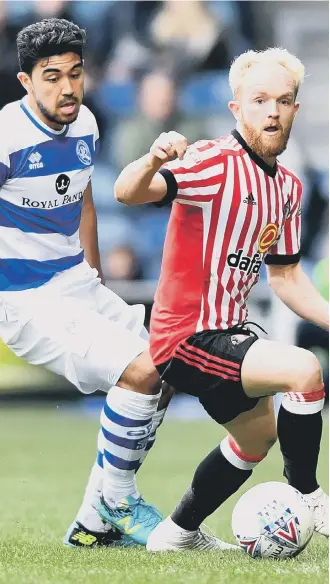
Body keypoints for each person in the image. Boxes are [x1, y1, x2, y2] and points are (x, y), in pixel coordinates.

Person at [114, 48, 329, 551]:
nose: (272, 111)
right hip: (186, 334)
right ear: (237, 108)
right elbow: (127, 193)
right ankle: (309, 495)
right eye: (259, 100)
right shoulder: (213, 163)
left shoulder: (288, 189)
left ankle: (176, 533)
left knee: (257, 439)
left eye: (283, 100)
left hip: (228, 335)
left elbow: (287, 279)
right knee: (304, 371)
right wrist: (152, 159)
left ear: (296, 109)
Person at [0, 17, 171, 549]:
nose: (67, 87)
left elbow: (84, 200)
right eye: (51, 77)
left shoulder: (87, 125)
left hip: (78, 284)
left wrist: (93, 279)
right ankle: (120, 502)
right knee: (140, 371)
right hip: (26, 302)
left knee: (165, 367)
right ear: (26, 81)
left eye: (75, 74)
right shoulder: (7, 137)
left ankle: (94, 520)